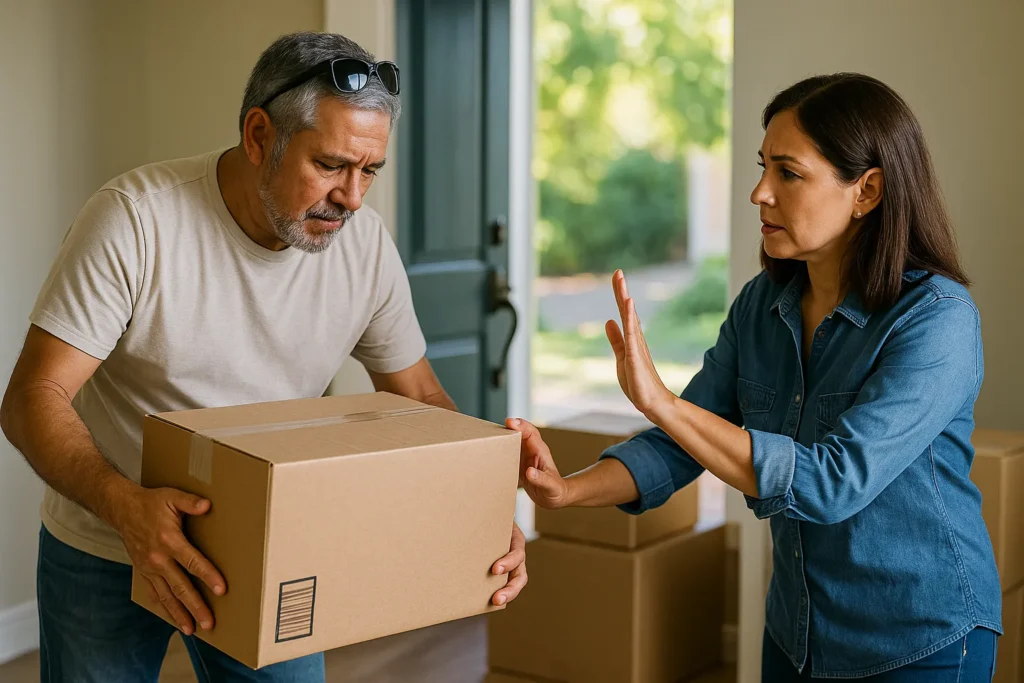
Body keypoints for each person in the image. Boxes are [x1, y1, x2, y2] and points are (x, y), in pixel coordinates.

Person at [0, 31, 526, 683]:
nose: (353, 198)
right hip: (108, 539)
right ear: (257, 136)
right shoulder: (136, 220)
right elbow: (31, 398)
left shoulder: (363, 247)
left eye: (370, 171)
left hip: (271, 548)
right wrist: (125, 506)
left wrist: (478, 509)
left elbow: (418, 395)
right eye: (331, 165)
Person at [508, 73, 1000, 682]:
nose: (758, 192)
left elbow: (831, 483)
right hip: (797, 636)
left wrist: (659, 400)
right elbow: (683, 442)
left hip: (918, 640)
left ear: (867, 191)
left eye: (788, 173)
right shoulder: (760, 306)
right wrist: (567, 491)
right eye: (762, 166)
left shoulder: (937, 320)